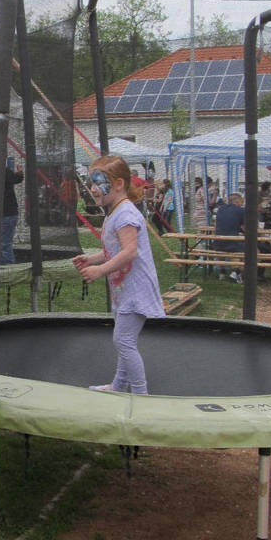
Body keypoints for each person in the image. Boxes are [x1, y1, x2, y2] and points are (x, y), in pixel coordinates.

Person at [73, 155, 164, 396]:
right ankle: (119, 386)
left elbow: (130, 252)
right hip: (124, 290)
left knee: (123, 341)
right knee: (124, 340)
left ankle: (141, 394)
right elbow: (114, 250)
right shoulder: (113, 212)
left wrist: (100, 270)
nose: (93, 189)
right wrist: (92, 259)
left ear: (119, 184)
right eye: (91, 183)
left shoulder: (125, 214)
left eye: (98, 182)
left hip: (136, 290)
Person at [212, 192, 246, 283]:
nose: (242, 203)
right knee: (254, 251)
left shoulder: (220, 209)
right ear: (238, 201)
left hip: (217, 244)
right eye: (242, 201)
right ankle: (236, 272)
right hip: (232, 244)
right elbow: (245, 228)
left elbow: (216, 225)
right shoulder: (241, 210)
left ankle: (222, 272)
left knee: (222, 246)